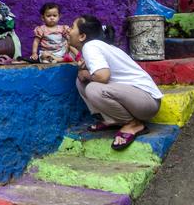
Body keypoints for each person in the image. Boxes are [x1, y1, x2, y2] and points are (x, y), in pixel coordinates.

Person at [68, 15, 163, 150]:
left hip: (147, 102)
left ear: (82, 36)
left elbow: (103, 76)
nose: (68, 30)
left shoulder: (90, 46)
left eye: (72, 27)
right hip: (138, 100)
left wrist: (87, 74)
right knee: (81, 81)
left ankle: (133, 124)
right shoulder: (98, 46)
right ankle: (112, 120)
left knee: (93, 88)